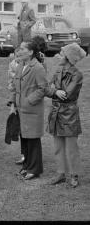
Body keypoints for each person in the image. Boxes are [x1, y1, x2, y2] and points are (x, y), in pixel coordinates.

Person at [46, 43, 86, 188]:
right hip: (56, 113)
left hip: (69, 114)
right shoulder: (57, 70)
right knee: (58, 146)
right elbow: (46, 88)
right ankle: (61, 173)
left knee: (71, 147)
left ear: (69, 57)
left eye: (62, 53)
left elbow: (67, 95)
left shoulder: (77, 75)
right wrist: (56, 91)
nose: (59, 55)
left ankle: (74, 174)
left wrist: (54, 90)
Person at [8, 40, 48, 180]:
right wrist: (13, 104)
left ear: (31, 52)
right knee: (24, 139)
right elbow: (14, 86)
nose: (19, 51)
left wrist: (28, 101)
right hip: (20, 109)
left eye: (23, 49)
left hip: (32, 110)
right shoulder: (20, 66)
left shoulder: (38, 67)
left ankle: (35, 169)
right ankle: (26, 166)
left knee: (33, 140)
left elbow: (43, 88)